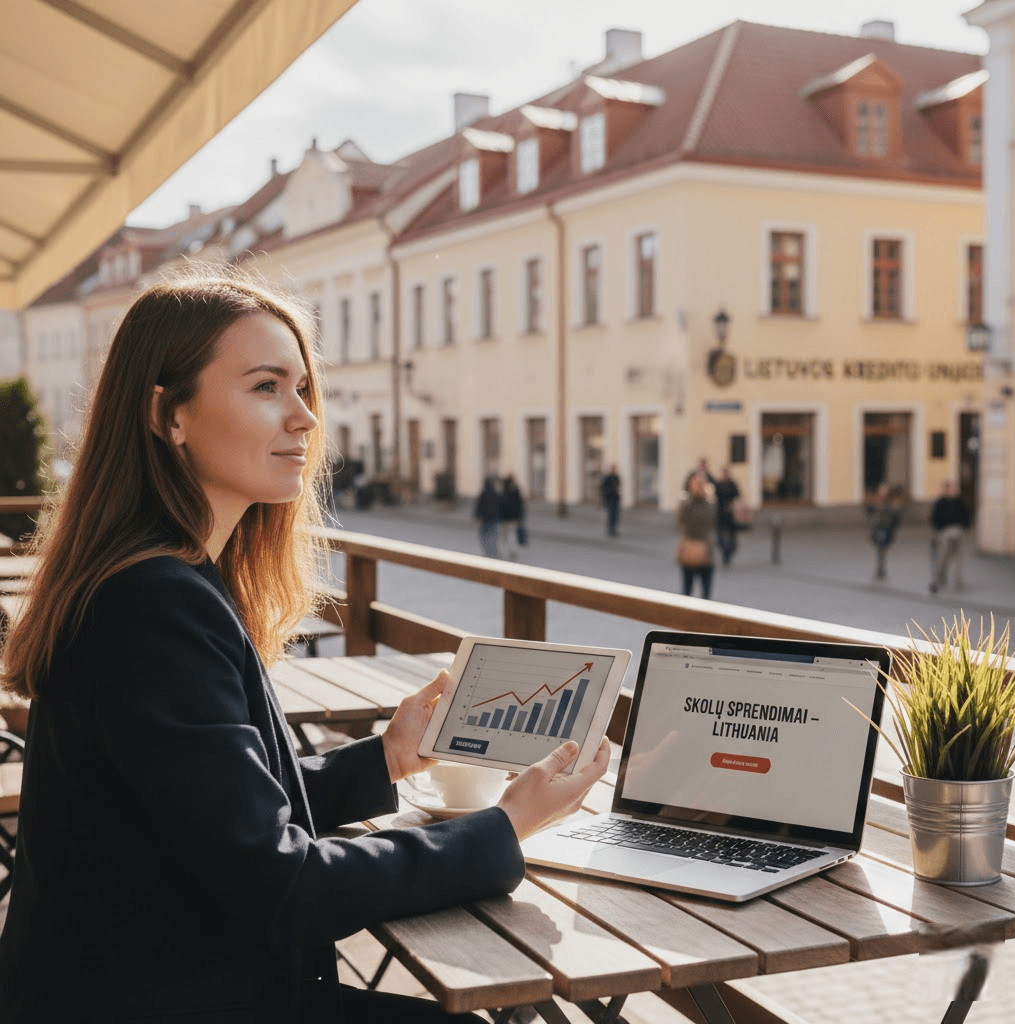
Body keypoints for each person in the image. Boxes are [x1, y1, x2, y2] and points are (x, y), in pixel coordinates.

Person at [0, 274, 610, 1023]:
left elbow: (220, 811)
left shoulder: (156, 579)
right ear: (167, 414)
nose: (306, 417)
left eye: (302, 388)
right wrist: (506, 827)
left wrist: (387, 758)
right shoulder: (154, 606)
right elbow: (285, 886)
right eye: (267, 387)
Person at [676, 471, 716, 599]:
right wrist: (694, 497)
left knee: (706, 592)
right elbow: (681, 521)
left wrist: (707, 498)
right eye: (696, 483)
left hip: (706, 550)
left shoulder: (710, 502)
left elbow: (712, 520)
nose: (700, 485)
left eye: (702, 482)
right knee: (687, 590)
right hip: (689, 547)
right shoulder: (685, 501)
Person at [929, 479, 971, 593]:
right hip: (944, 531)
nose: (951, 490)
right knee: (942, 556)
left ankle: (958, 580)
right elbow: (935, 518)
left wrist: (964, 527)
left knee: (958, 557)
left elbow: (967, 516)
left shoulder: (960, 502)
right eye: (949, 488)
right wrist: (940, 530)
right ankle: (939, 579)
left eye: (953, 488)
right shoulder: (940, 502)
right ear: (946, 489)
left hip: (958, 531)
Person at [865, 483, 903, 581]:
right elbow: (870, 513)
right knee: (881, 550)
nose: (883, 493)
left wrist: (893, 527)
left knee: (882, 550)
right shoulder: (875, 502)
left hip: (886, 528)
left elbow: (897, 517)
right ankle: (880, 569)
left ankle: (880, 569)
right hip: (878, 528)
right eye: (881, 491)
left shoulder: (891, 504)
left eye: (884, 491)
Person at [711, 465, 740, 567]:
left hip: (731, 515)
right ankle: (724, 555)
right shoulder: (718, 484)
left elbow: (738, 495)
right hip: (720, 514)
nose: (725, 474)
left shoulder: (733, 484)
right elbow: (713, 494)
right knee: (720, 539)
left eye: (727, 472)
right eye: (724, 472)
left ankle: (728, 555)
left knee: (733, 541)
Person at [474, 476, 502, 558]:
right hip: (494, 520)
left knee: (484, 538)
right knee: (493, 538)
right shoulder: (495, 494)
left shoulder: (483, 494)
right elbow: (500, 507)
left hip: (485, 520)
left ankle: (489, 554)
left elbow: (479, 507)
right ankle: (493, 553)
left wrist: (476, 516)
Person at [499, 474, 525, 559]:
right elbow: (520, 505)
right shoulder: (516, 491)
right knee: (512, 534)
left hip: (505, 518)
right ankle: (512, 551)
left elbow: (500, 505)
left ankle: (506, 551)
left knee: (505, 535)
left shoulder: (503, 491)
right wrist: (520, 517)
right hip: (514, 518)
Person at [600, 466, 621, 537]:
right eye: (614, 469)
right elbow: (603, 488)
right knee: (611, 515)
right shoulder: (608, 478)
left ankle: (614, 529)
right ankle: (611, 530)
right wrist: (605, 499)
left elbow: (618, 487)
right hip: (609, 499)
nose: (615, 471)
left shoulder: (616, 477)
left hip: (615, 499)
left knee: (616, 516)